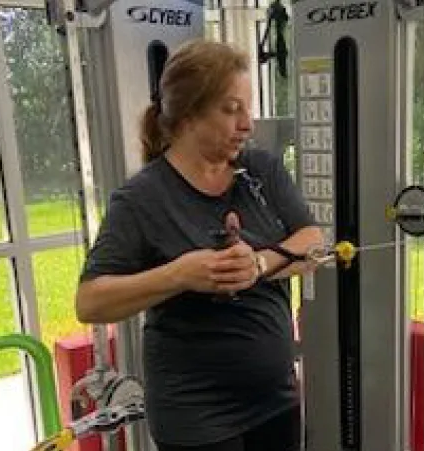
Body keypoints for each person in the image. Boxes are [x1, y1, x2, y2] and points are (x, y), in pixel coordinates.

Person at [74, 39, 324, 451]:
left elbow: (312, 240)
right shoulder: (142, 198)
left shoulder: (260, 169)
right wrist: (179, 274)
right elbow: (91, 302)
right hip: (196, 414)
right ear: (188, 115)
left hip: (274, 399)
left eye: (248, 107)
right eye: (231, 109)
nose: (248, 123)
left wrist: (258, 265)